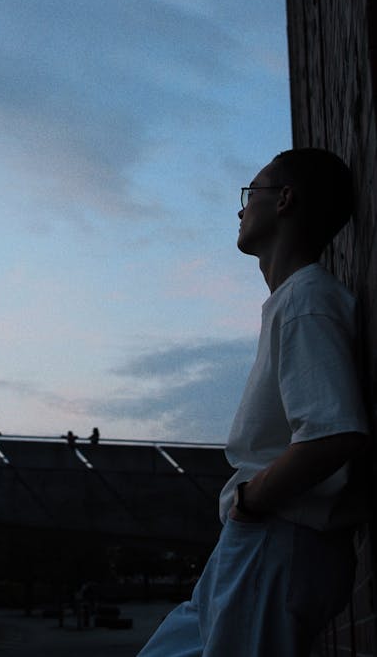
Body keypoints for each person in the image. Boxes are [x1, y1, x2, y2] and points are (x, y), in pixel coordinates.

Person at [138, 147, 369, 657]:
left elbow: (334, 433)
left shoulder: (307, 299)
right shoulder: (293, 301)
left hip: (277, 537)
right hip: (256, 540)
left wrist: (247, 503)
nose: (241, 210)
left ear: (284, 200)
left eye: (251, 194)